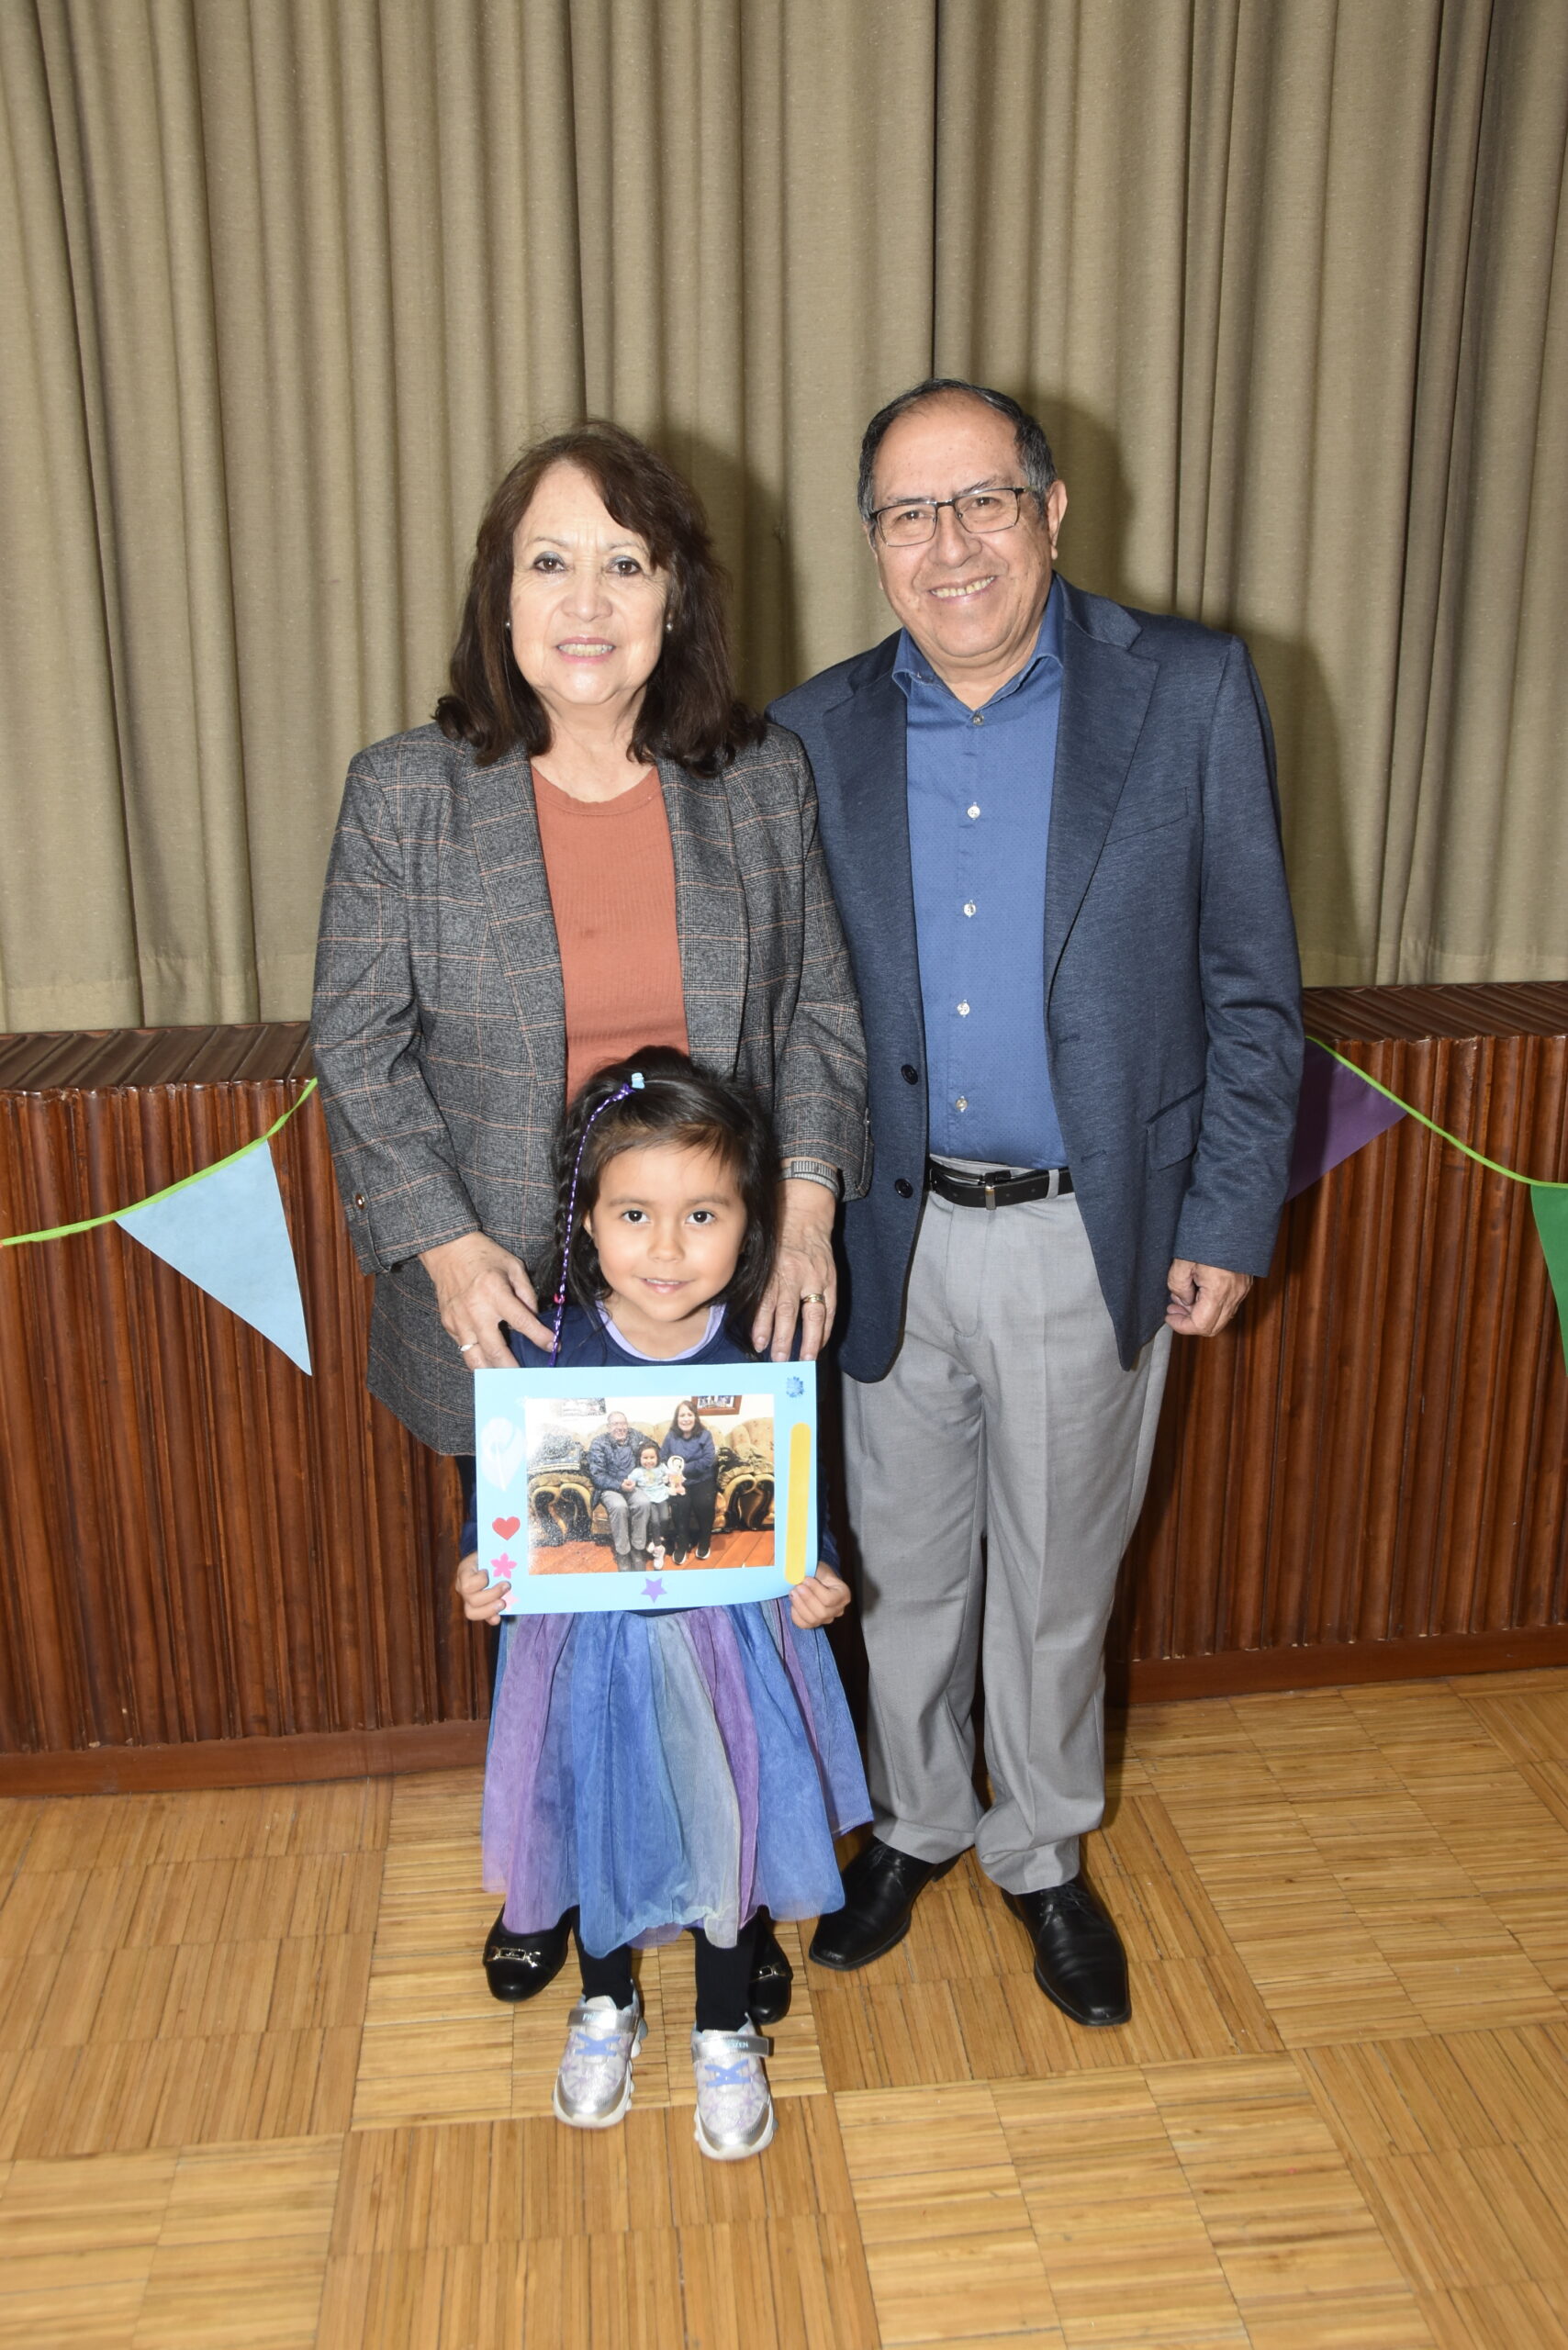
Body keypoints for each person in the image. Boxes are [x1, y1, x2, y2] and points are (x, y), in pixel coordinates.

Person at [313, 420, 868, 2015]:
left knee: (728, 1599)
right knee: (542, 1605)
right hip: (508, 1291)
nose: (585, 600)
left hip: (707, 1280)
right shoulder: (409, 794)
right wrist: (440, 1240)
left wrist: (807, 1216)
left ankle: (735, 1883)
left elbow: (820, 1018)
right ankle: (548, 1877)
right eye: (549, 561)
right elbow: (356, 1039)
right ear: (500, 596)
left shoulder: (757, 783)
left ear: (675, 596)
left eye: (624, 563)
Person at [770, 380, 1302, 2028]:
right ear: (872, 543)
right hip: (892, 1236)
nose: (948, 545)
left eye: (981, 500)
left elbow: (1251, 990)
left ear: (1051, 512)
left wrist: (1225, 1216)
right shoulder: (809, 731)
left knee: (1061, 1583)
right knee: (906, 1571)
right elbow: (791, 1009)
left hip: (1095, 1233)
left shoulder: (1191, 692)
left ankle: (1043, 1847)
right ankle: (919, 1823)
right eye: (907, 514)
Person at [454, 1049, 868, 2159]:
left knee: (728, 1824)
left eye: (703, 1215)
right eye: (634, 1214)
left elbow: (798, 1502)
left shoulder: (761, 1353)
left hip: (733, 1647)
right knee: (597, 1816)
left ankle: (726, 2026)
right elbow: (505, 1504)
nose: (668, 1249)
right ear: (585, 1219)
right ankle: (606, 2004)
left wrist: (819, 1573)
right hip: (583, 1654)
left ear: (751, 1224)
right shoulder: (551, 1354)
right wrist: (479, 1567)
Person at [585, 1410, 657, 1570]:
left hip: (633, 1485)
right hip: (610, 1488)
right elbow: (597, 1475)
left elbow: (655, 1448)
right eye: (616, 1424)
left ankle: (637, 1549)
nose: (620, 1427)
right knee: (619, 1506)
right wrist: (619, 1485)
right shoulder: (599, 1443)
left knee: (644, 1502)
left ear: (627, 1425)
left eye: (623, 1423)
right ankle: (623, 1552)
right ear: (608, 1427)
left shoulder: (635, 1436)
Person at [661, 1398, 718, 1561]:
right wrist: (671, 1472)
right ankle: (682, 1544)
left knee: (704, 1504)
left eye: (689, 1414)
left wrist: (682, 1468)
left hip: (702, 1480)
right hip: (679, 1482)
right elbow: (663, 1457)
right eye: (682, 1415)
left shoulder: (705, 1435)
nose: (686, 1419)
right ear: (677, 1418)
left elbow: (708, 1460)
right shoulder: (671, 1436)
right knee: (680, 1507)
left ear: (695, 1417)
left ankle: (705, 1541)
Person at [628, 1439, 681, 1563]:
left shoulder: (661, 1467)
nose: (649, 1461)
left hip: (662, 1496)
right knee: (655, 1521)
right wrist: (630, 1485)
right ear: (640, 1459)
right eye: (645, 1458)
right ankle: (657, 1545)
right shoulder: (637, 1471)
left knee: (665, 1518)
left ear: (657, 1458)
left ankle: (657, 1538)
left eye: (652, 1457)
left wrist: (677, 1479)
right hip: (648, 1499)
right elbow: (630, 1481)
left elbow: (672, 1475)